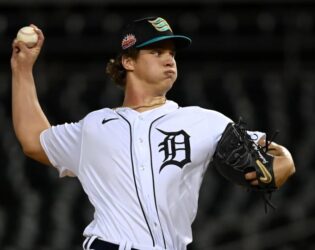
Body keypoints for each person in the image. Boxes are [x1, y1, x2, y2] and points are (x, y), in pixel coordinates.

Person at [11, 16, 295, 250]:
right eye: (156, 52)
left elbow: (273, 151)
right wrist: (22, 70)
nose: (169, 60)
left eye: (172, 53)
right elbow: (34, 140)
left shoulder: (203, 121)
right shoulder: (94, 127)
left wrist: (284, 162)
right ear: (128, 62)